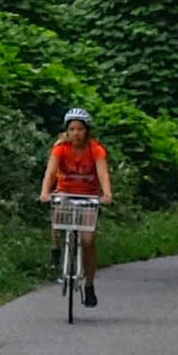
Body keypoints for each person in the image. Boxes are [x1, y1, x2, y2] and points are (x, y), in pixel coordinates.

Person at [40, 108, 113, 308]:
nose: (76, 133)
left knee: (88, 241)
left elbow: (103, 173)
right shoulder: (60, 149)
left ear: (86, 131)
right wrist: (45, 192)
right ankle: (57, 251)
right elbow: (51, 172)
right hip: (65, 192)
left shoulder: (96, 149)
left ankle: (89, 285)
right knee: (57, 216)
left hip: (88, 197)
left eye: (80, 129)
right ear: (67, 131)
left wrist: (106, 194)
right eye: (72, 129)